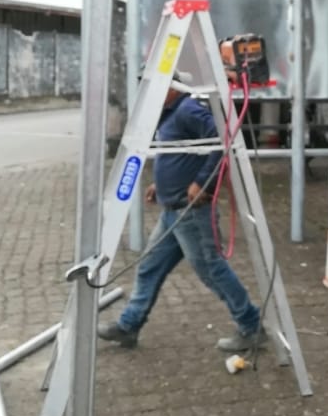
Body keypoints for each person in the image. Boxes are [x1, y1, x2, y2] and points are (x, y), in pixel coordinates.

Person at [98, 79, 265, 353]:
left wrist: (203, 183)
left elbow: (222, 141)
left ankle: (251, 326)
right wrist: (160, 185)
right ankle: (129, 326)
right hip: (172, 212)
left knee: (213, 271)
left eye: (156, 87)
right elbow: (180, 155)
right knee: (149, 267)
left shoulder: (188, 110)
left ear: (173, 87)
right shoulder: (171, 113)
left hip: (192, 213)